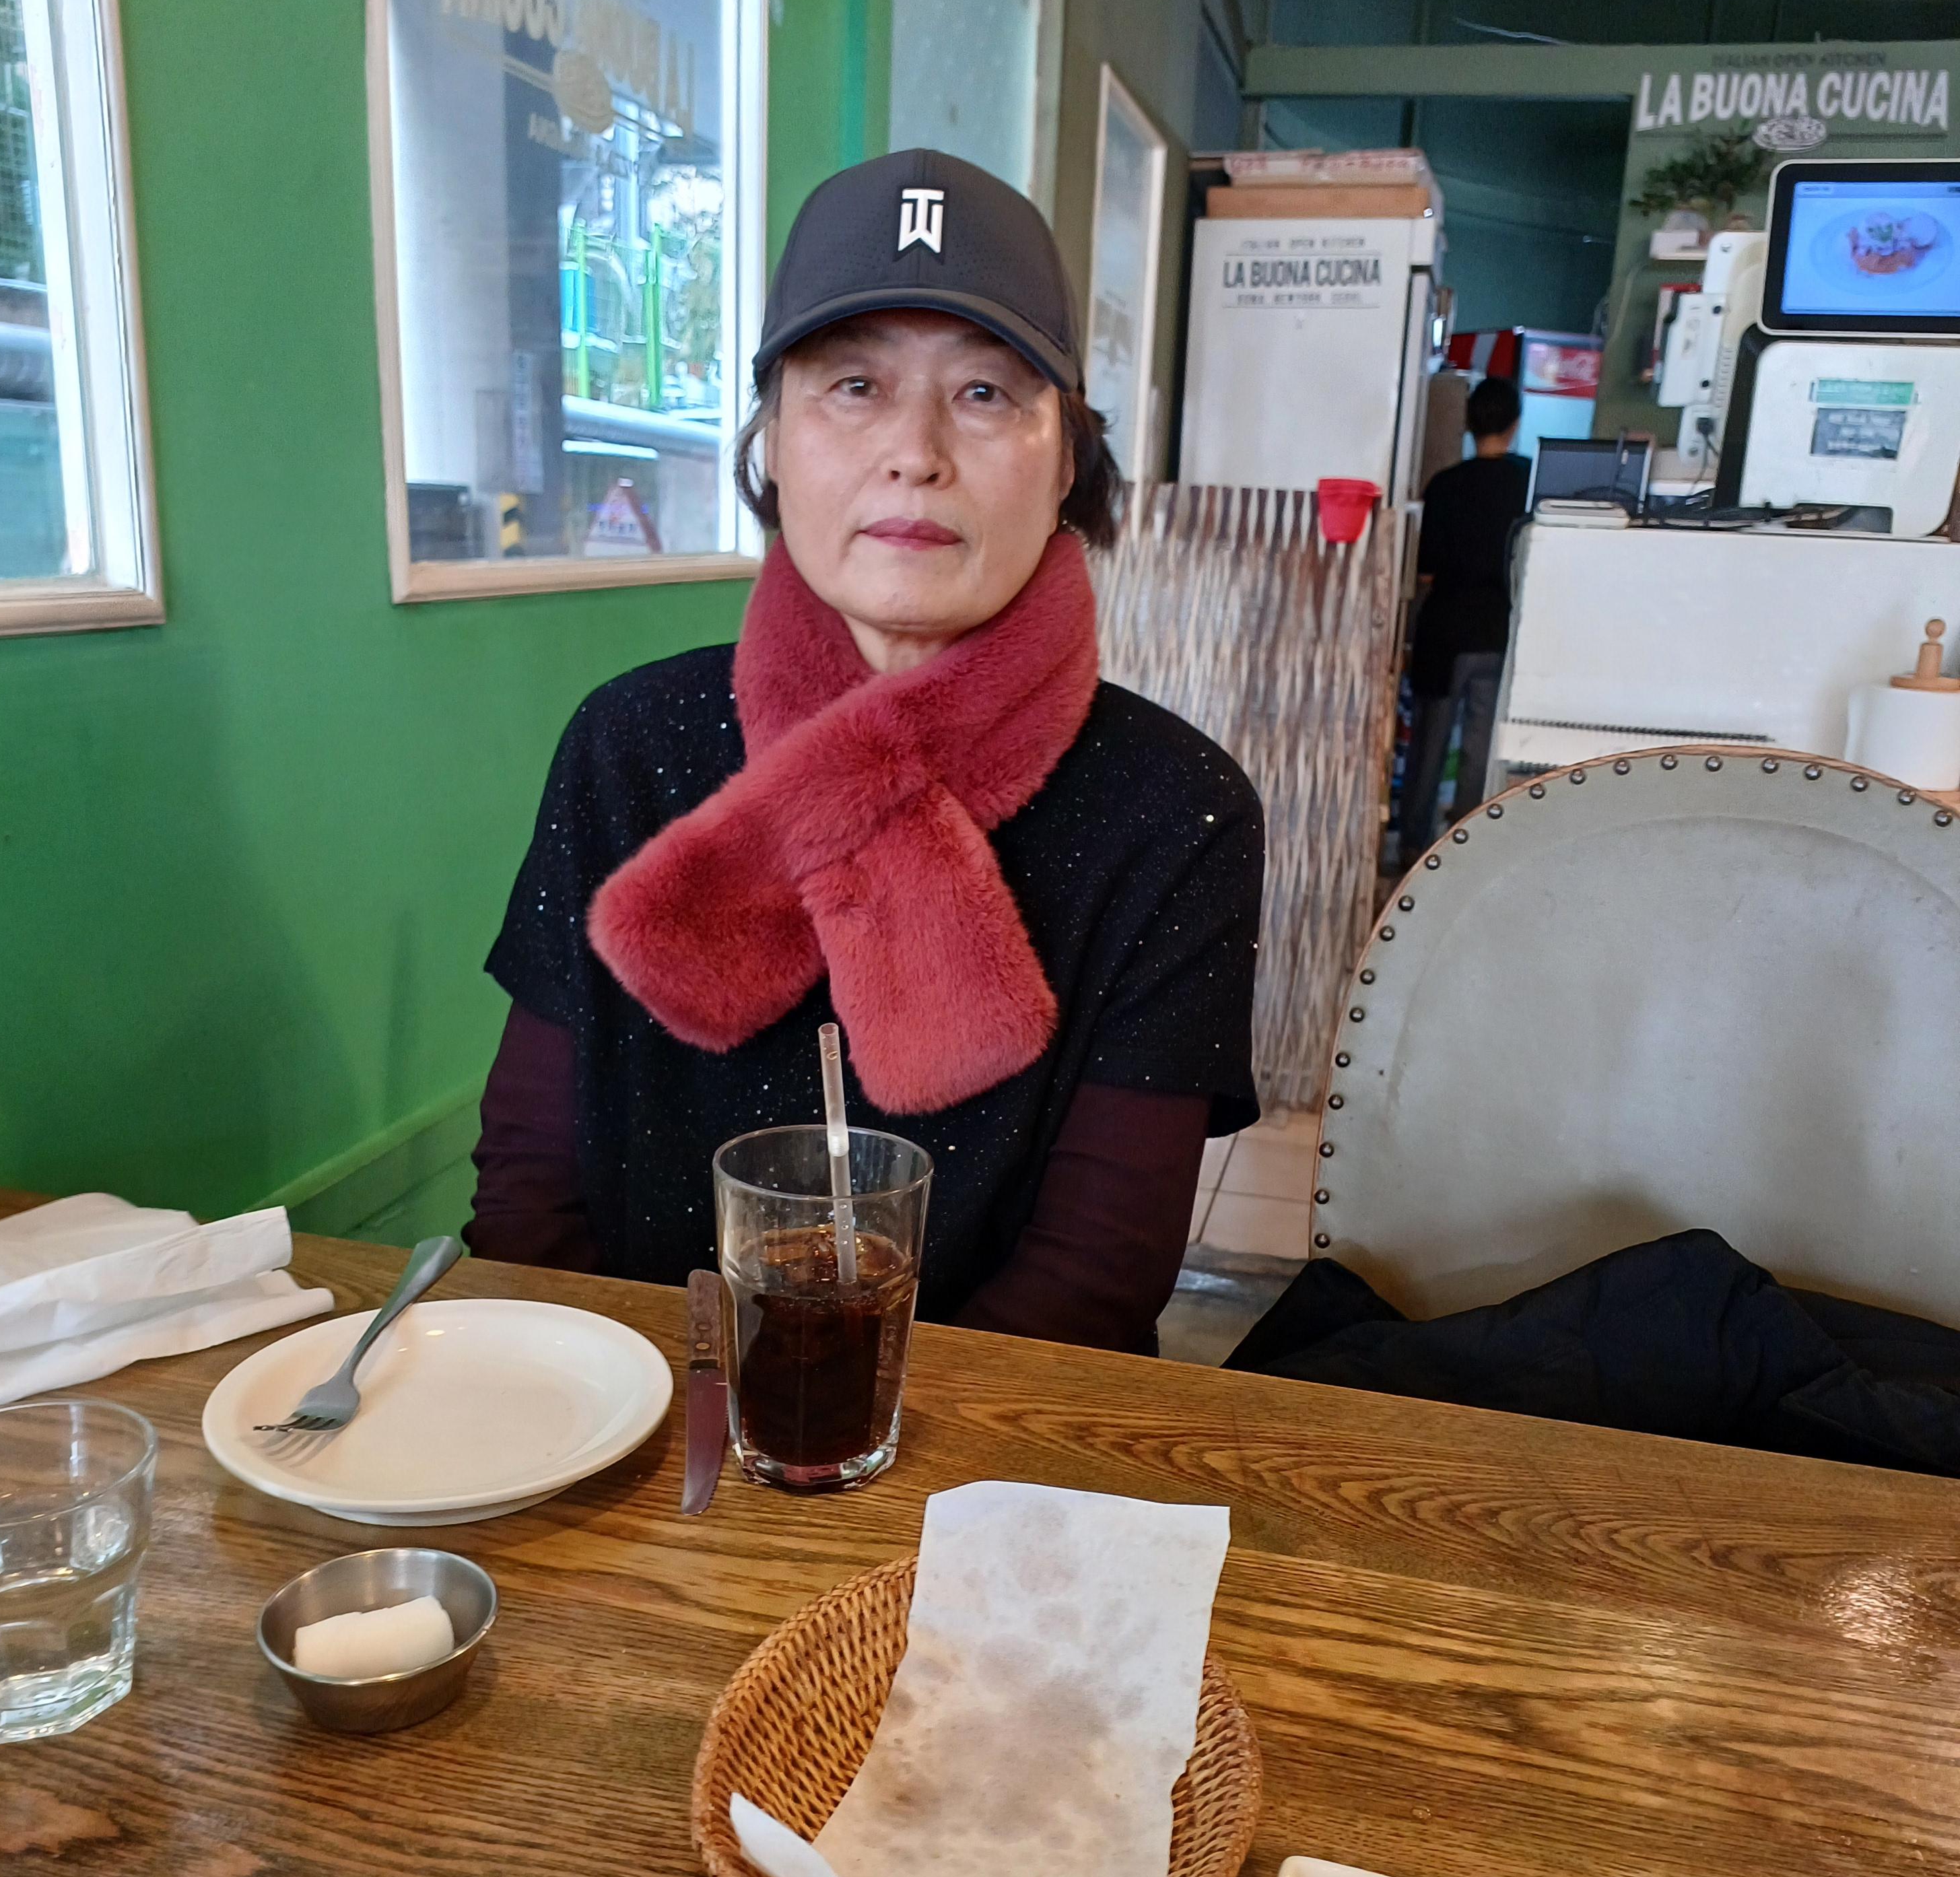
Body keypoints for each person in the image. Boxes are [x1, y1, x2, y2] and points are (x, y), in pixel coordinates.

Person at [467, 148, 1263, 1353]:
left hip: (984, 1436)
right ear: (772, 439)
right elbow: (529, 1185)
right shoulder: (629, 744)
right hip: (631, 1405)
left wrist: (849, 1433)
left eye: (985, 393)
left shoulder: (1179, 809)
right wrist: (655, 1416)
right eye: (853, 385)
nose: (917, 452)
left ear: (1067, 461)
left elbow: (1097, 1281)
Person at [1398, 373, 1532, 859]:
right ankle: (1464, 850)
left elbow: (1426, 572)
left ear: (1469, 424)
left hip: (1445, 630)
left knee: (1429, 746)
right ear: (1514, 425)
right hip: (1499, 628)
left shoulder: (1445, 486)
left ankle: (1412, 848)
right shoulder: (1528, 483)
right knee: (1480, 745)